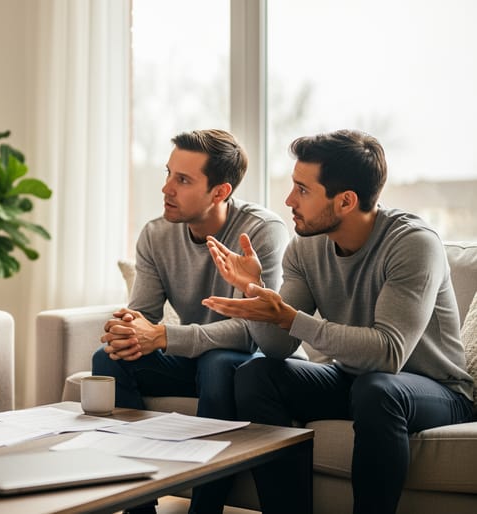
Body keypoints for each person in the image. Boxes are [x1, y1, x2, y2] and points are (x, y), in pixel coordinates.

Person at [203, 129, 475, 514]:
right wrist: (253, 290)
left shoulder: (413, 243)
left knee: (378, 389)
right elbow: (278, 346)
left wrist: (290, 317)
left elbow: (388, 354)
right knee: (255, 374)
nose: (288, 200)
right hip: (354, 380)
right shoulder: (305, 246)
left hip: (437, 390)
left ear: (346, 200)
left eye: (302, 190)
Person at [93, 129, 289, 514]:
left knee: (218, 365)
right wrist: (127, 329)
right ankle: (139, 507)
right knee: (108, 359)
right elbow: (145, 315)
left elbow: (252, 331)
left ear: (220, 192)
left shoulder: (262, 232)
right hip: (190, 357)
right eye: (168, 174)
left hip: (243, 362)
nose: (166, 188)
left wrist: (164, 335)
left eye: (183, 180)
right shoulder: (155, 234)